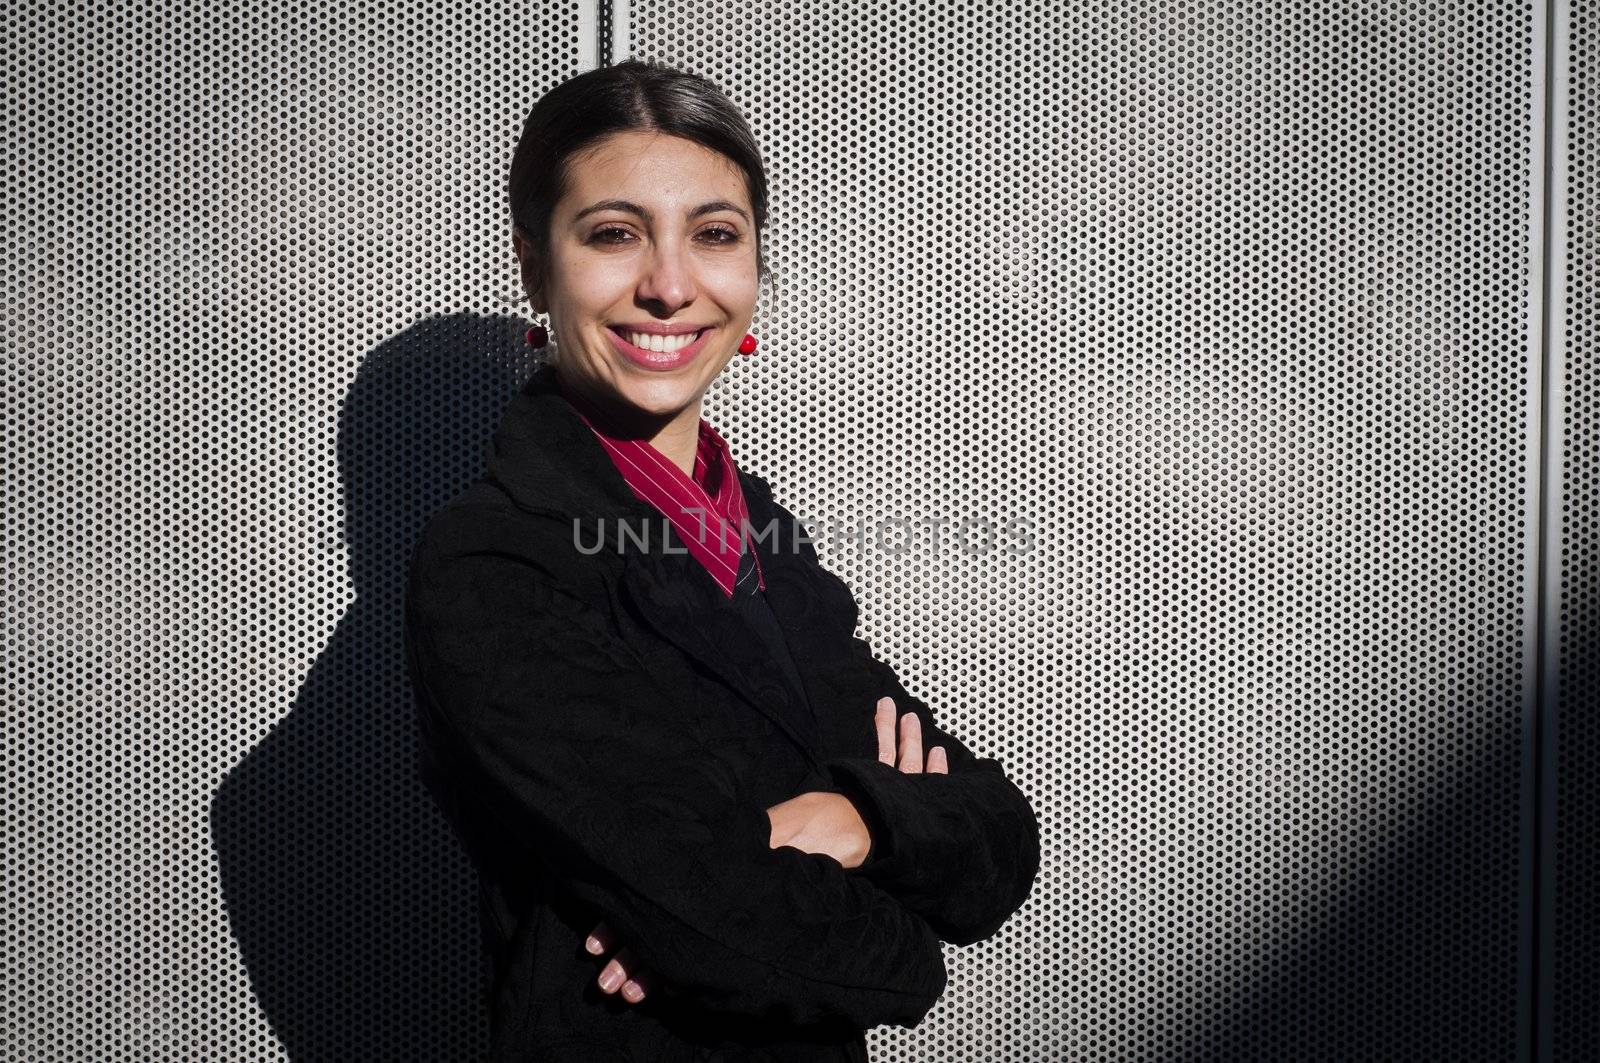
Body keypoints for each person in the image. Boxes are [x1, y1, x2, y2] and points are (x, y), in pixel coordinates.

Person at [403, 58, 1042, 1062]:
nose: (668, 284)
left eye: (714, 234)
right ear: (536, 266)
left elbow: (999, 834)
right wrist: (906, 922)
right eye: (614, 234)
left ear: (753, 267)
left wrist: (857, 819)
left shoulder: (754, 532)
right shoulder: (492, 564)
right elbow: (760, 939)